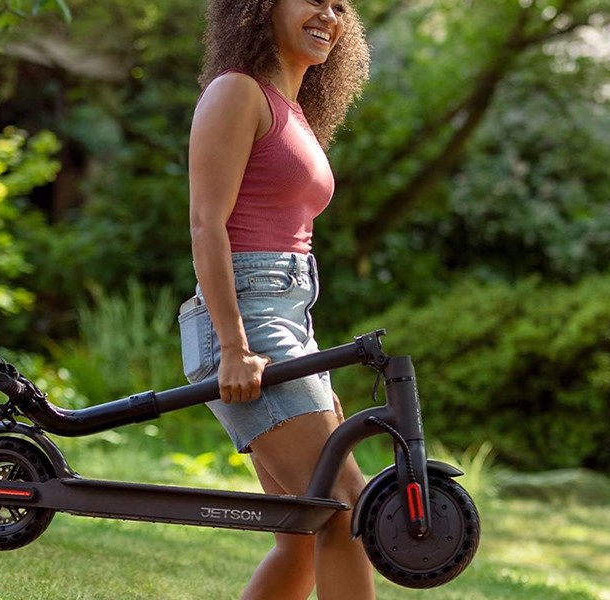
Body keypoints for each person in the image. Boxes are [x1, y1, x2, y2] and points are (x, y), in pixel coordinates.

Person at [177, 0, 371, 598]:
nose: (329, 14)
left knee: (303, 535)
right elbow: (208, 225)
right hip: (246, 318)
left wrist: (309, 364)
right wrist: (235, 345)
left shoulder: (296, 111)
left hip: (287, 319)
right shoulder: (237, 92)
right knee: (345, 508)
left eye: (340, 5)